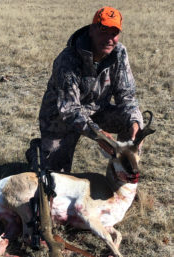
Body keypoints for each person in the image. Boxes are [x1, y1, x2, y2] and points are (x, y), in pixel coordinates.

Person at [27, 6, 143, 172]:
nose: (110, 38)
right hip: (59, 119)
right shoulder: (67, 59)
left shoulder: (119, 53)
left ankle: (122, 173)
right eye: (104, 31)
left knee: (131, 122)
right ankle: (36, 153)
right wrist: (98, 134)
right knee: (54, 180)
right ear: (92, 30)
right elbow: (69, 110)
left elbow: (127, 96)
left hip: (96, 111)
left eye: (114, 32)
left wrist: (135, 123)